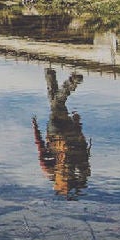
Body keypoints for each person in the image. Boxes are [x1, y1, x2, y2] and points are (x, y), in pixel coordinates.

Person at [32, 68, 91, 198]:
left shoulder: (77, 169)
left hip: (69, 134)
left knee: (55, 103)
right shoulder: (50, 171)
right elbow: (41, 148)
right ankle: (71, 82)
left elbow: (83, 149)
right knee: (57, 104)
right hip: (55, 133)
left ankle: (50, 73)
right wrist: (35, 129)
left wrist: (78, 126)